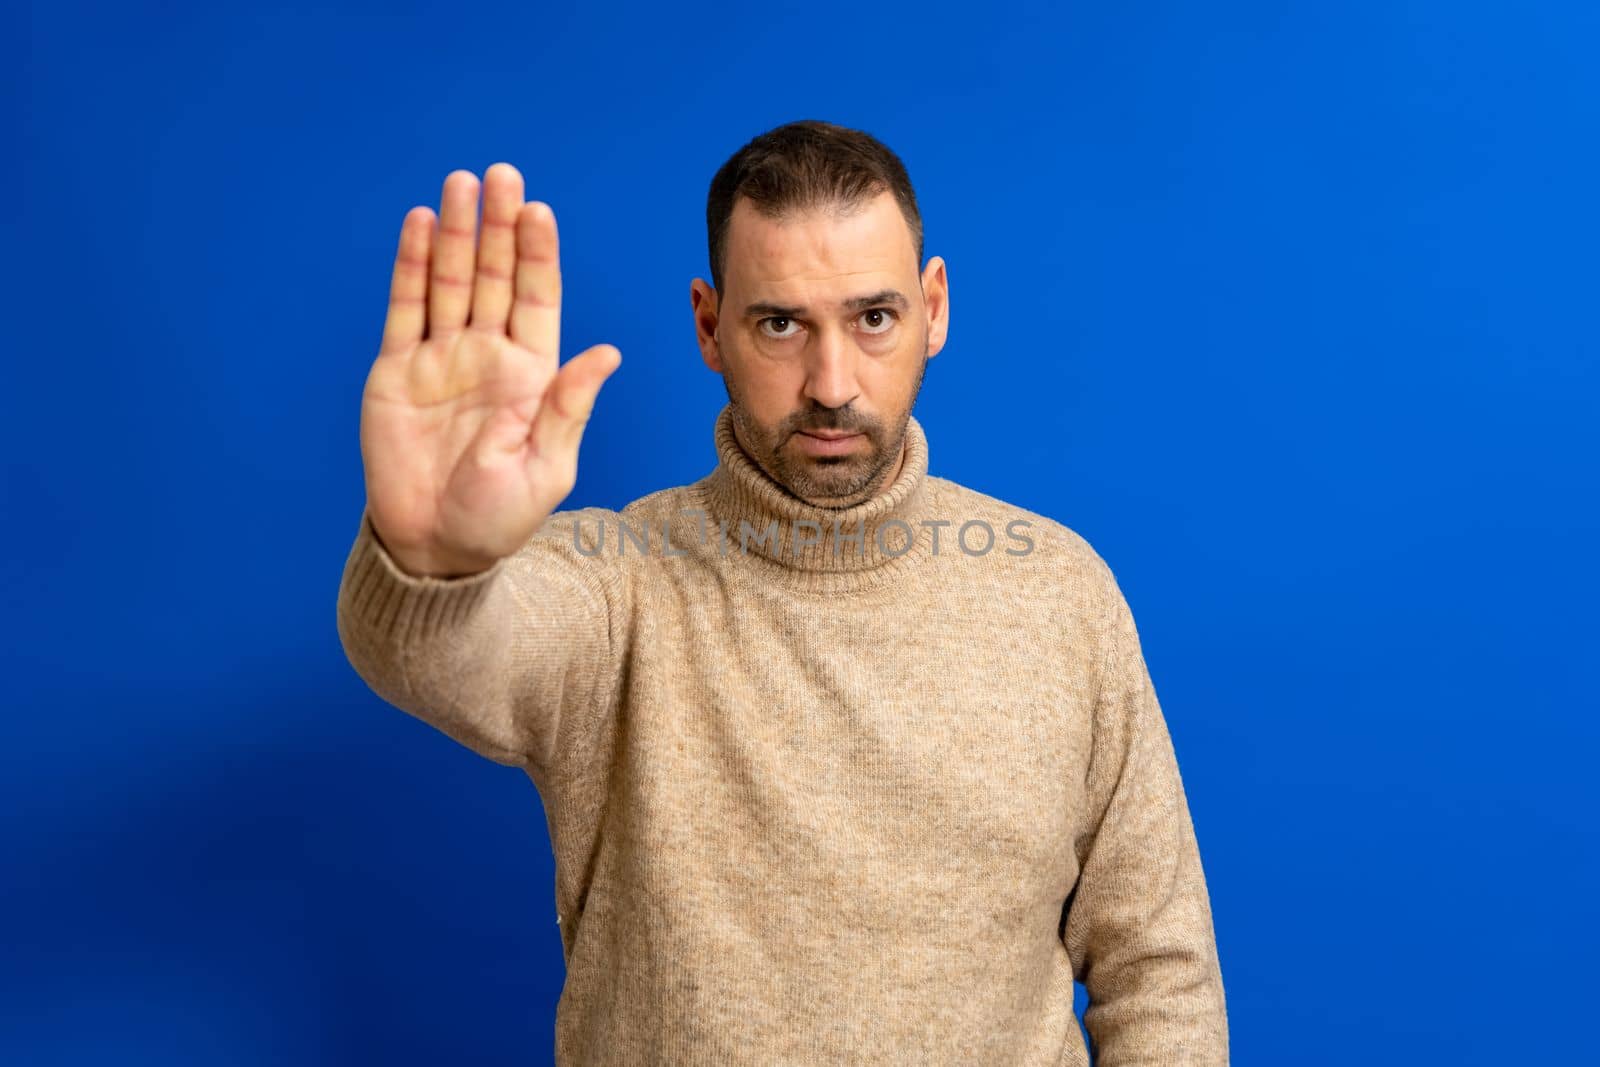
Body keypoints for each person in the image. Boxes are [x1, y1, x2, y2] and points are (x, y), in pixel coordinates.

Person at [336, 119, 1228, 1065]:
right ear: (709, 326)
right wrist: (431, 551)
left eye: (873, 318)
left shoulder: (1059, 590)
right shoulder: (614, 584)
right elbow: (437, 651)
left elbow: (1158, 969)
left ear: (934, 307)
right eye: (780, 324)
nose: (832, 383)